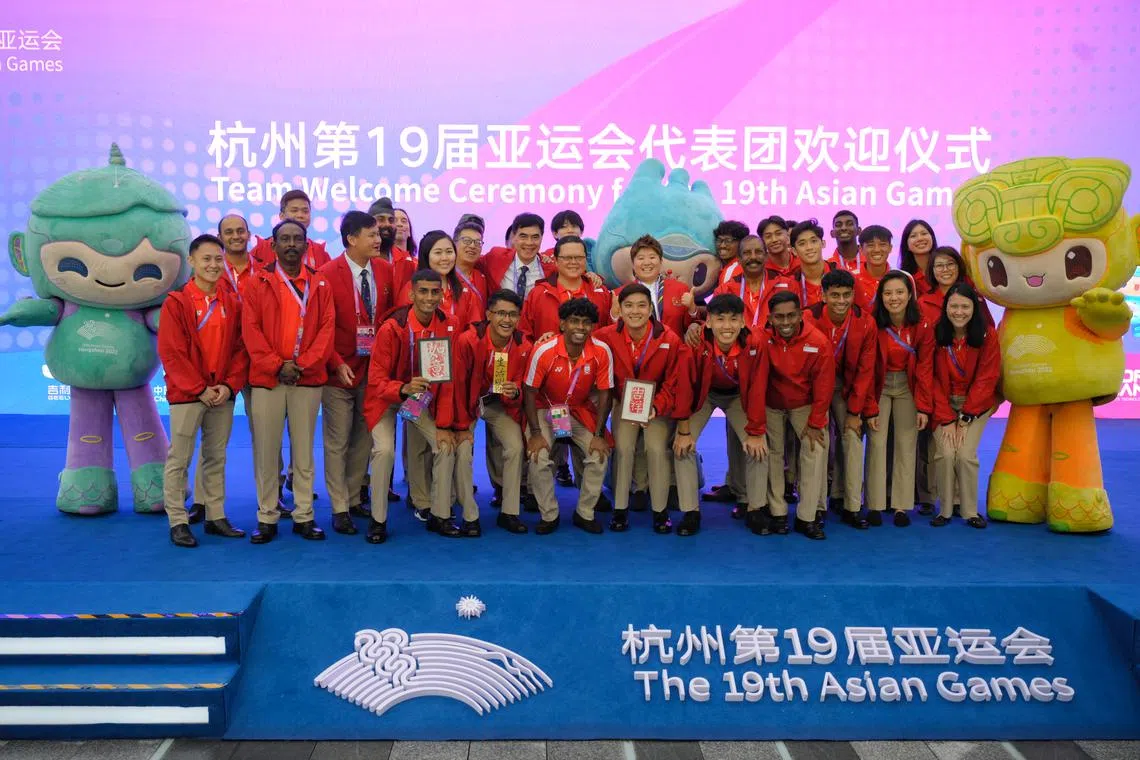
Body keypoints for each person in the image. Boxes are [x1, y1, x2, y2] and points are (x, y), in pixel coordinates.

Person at [241, 220, 336, 544]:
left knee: (304, 452)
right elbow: (250, 330)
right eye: (285, 239)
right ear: (274, 244)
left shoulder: (319, 283)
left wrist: (303, 365)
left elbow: (326, 330)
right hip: (267, 380)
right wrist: (275, 365)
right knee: (267, 452)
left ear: (306, 245)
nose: (291, 244)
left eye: (297, 238)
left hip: (306, 380)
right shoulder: (257, 282)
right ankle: (266, 516)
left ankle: (304, 516)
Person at [158, 234, 248, 548]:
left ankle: (215, 515)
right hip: (188, 395)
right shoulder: (177, 302)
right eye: (206, 259)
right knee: (179, 458)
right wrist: (199, 389)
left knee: (215, 457)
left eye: (218, 259)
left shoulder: (231, 301)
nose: (213, 265)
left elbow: (240, 349)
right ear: (192, 261)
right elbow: (172, 353)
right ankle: (178, 521)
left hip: (221, 394)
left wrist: (228, 385)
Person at [364, 270, 466, 542]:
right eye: (423, 291)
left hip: (421, 398)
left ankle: (440, 514)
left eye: (435, 292)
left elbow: (448, 381)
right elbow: (375, 381)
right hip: (387, 397)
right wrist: (402, 388)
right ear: (411, 294)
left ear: (442, 294)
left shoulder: (450, 324)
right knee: (384, 450)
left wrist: (444, 425)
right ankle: (378, 520)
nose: (430, 297)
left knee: (444, 445)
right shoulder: (392, 327)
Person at [319, 211, 395, 535]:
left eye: (378, 234)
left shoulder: (385, 270)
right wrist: (336, 361)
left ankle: (352, 499)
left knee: (363, 439)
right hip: (338, 371)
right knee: (337, 441)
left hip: (372, 371)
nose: (379, 240)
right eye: (371, 234)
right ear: (351, 238)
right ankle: (338, 508)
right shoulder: (326, 274)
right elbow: (321, 328)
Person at [186, 213, 263, 525]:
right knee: (212, 438)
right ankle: (203, 502)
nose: (236, 236)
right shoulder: (213, 271)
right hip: (226, 360)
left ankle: (269, 498)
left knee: (263, 434)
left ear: (249, 234)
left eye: (240, 231)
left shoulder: (262, 268)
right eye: (228, 232)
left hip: (257, 359)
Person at [673, 294, 769, 536]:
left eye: (733, 319)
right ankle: (690, 511)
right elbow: (685, 386)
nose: (727, 326)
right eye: (720, 319)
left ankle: (755, 507)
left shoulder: (756, 343)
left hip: (739, 396)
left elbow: (758, 387)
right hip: (704, 396)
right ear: (708, 323)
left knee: (759, 446)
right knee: (682, 445)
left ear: (743, 322)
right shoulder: (695, 344)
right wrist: (684, 430)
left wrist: (755, 432)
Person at [594, 283, 686, 533]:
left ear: (651, 308)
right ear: (620, 309)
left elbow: (674, 381)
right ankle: (620, 509)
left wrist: (656, 407)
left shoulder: (668, 338)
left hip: (657, 402)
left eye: (642, 305)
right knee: (623, 448)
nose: (635, 311)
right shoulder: (605, 336)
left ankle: (660, 510)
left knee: (656, 448)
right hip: (624, 401)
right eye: (629, 306)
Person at [523, 298, 614, 535]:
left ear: (592, 326)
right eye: (574, 321)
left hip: (577, 411)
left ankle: (585, 513)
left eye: (586, 322)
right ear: (562, 324)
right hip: (545, 409)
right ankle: (549, 514)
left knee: (599, 454)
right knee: (538, 456)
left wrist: (599, 434)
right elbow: (530, 392)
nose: (580, 327)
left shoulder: (602, 351)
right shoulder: (544, 351)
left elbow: (605, 393)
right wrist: (534, 433)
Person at [453, 290, 532, 533]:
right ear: (488, 315)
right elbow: (457, 385)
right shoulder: (468, 340)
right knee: (464, 449)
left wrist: (515, 391)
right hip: (468, 403)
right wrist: (461, 425)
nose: (506, 320)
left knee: (516, 446)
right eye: (500, 313)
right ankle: (469, 514)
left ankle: (509, 512)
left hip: (498, 404)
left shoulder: (523, 345)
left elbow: (521, 384)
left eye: (512, 315)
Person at [806, 269, 876, 529]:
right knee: (818, 441)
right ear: (823, 295)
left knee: (852, 439)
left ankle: (852, 506)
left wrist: (855, 412)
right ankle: (816, 506)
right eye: (834, 295)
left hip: (847, 388)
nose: (841, 301)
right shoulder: (808, 318)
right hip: (815, 389)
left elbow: (865, 370)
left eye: (847, 295)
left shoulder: (866, 322)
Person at [763, 291, 834, 540]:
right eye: (779, 317)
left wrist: (816, 423)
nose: (785, 322)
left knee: (814, 449)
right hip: (771, 404)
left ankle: (808, 516)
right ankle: (777, 512)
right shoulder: (761, 339)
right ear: (770, 318)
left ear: (800, 314)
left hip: (804, 403)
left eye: (791, 316)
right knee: (771, 453)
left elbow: (824, 387)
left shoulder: (819, 342)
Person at [865, 270, 934, 527]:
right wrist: (870, 406)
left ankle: (901, 506)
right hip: (880, 386)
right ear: (880, 296)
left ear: (910, 295)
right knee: (877, 442)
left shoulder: (922, 324)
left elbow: (926, 367)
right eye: (888, 293)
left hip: (908, 386)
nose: (894, 298)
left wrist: (924, 407)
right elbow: (867, 368)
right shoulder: (872, 324)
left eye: (899, 292)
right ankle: (874, 504)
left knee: (906, 443)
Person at [931, 282, 1000, 529]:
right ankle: (945, 510)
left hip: (976, 406)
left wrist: (967, 416)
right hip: (944, 406)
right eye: (954, 306)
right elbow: (933, 380)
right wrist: (947, 418)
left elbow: (987, 378)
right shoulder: (936, 333)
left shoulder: (987, 335)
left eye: (965, 306)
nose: (959, 312)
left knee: (965, 455)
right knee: (946, 453)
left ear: (974, 308)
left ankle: (970, 511)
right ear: (946, 307)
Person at [520, 235, 611, 342]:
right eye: (567, 258)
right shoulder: (538, 294)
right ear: (556, 261)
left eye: (579, 258)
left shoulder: (601, 293)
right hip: (548, 357)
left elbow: (610, 334)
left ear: (585, 260)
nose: (573, 262)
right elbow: (524, 335)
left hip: (592, 357)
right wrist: (539, 349)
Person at [397, 231, 483, 324]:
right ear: (426, 256)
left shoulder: (464, 289)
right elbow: (404, 326)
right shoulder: (411, 289)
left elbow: (475, 327)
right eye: (438, 253)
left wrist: (460, 338)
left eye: (449, 252)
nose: (445, 258)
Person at [623, 234, 699, 337]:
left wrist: (692, 309)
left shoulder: (680, 289)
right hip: (639, 351)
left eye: (652, 257)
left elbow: (689, 327)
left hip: (674, 350)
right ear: (633, 264)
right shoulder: (622, 294)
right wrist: (614, 315)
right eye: (641, 258)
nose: (647, 262)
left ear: (661, 261)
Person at [478, 212, 556, 300]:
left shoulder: (551, 270)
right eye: (523, 236)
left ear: (542, 238)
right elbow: (470, 262)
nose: (529, 242)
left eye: (535, 237)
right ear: (514, 237)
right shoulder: (496, 257)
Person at [250, 190, 329, 270]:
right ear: (281, 216)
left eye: (305, 211)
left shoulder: (319, 252)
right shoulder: (261, 249)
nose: (300, 215)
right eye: (294, 210)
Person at [919, 246, 995, 326]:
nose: (945, 269)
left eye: (950, 264)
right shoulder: (923, 303)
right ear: (932, 270)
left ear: (959, 266)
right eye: (939, 266)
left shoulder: (974, 296)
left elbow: (989, 329)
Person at [369, 198, 416, 296]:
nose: (387, 224)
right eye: (381, 219)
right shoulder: (361, 259)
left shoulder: (407, 263)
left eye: (391, 220)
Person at [788, 220, 835, 310]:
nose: (809, 247)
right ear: (794, 251)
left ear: (823, 244)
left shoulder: (844, 275)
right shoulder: (790, 283)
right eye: (802, 244)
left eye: (813, 241)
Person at [852, 225, 893, 309]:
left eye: (882, 244)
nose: (877, 250)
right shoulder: (851, 279)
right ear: (860, 249)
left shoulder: (903, 277)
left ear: (890, 248)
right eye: (871, 245)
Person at [453, 217, 492, 305]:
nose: (472, 246)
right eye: (467, 241)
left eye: (478, 242)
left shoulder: (482, 278)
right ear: (454, 243)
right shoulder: (445, 275)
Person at [899, 219, 937, 296]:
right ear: (907, 245)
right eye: (913, 236)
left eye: (924, 233)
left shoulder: (945, 269)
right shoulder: (904, 277)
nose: (920, 239)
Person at [714, 220, 751, 285]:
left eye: (728, 241)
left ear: (741, 243)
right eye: (719, 240)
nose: (722, 245)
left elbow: (725, 295)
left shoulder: (732, 270)